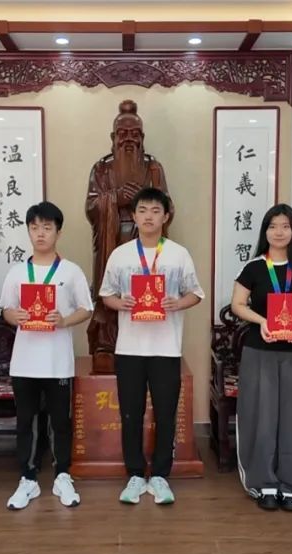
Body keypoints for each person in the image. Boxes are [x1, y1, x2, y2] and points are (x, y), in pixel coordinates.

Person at [100, 187, 203, 505]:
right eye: (142, 210)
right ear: (134, 215)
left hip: (166, 348)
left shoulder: (178, 254)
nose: (148, 216)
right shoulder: (120, 254)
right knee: (130, 413)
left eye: (155, 211)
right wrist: (120, 302)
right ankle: (134, 474)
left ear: (166, 216)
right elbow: (106, 294)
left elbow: (195, 293)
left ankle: (159, 475)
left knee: (165, 413)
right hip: (130, 349)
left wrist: (177, 303)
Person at [0, 201, 93, 510]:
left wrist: (64, 321)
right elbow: (6, 310)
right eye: (35, 227)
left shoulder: (71, 271)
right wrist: (15, 316)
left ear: (58, 232)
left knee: (59, 422)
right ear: (28, 231)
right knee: (26, 421)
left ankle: (62, 475)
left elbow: (86, 308)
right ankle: (27, 478)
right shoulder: (17, 272)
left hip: (57, 362)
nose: (40, 234)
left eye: (47, 228)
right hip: (24, 361)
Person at [230, 204, 292, 512]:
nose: (279, 232)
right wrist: (262, 321)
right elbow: (238, 304)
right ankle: (263, 483)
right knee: (261, 416)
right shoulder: (254, 268)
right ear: (265, 231)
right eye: (272, 226)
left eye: (285, 226)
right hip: (261, 352)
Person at [85, 100, 170, 372]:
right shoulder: (102, 169)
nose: (129, 139)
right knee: (110, 293)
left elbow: (168, 206)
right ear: (113, 137)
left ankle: (145, 344)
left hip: (145, 243)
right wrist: (115, 198)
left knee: (145, 294)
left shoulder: (153, 168)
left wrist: (144, 206)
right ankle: (106, 345)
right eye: (123, 134)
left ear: (142, 137)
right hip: (111, 240)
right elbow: (91, 206)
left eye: (135, 134)